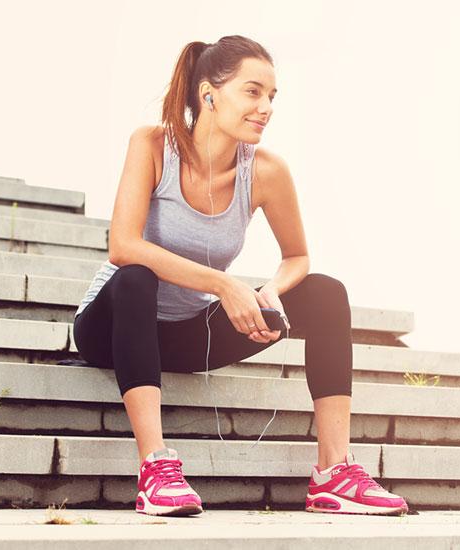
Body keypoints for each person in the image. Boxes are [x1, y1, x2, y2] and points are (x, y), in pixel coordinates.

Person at [72, 36, 409, 517]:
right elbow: (123, 246)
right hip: (112, 327)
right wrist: (224, 284)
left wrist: (269, 291)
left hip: (188, 337)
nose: (266, 107)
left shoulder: (266, 171)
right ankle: (155, 469)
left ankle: (333, 474)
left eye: (273, 96)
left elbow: (297, 256)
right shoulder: (151, 145)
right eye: (253, 92)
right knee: (137, 277)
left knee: (326, 294)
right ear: (209, 94)